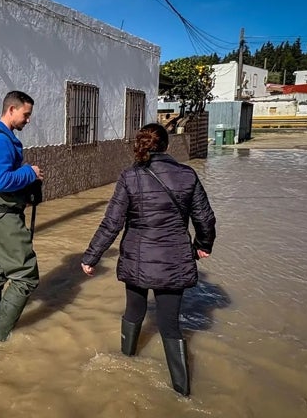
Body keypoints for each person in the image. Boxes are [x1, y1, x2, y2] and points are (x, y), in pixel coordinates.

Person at [80, 123, 216, 396]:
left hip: (137, 260)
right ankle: (182, 392)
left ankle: (125, 363)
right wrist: (203, 245)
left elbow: (112, 223)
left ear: (141, 145)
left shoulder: (130, 177)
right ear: (166, 146)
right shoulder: (187, 175)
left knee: (134, 312)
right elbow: (205, 218)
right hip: (175, 260)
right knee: (170, 325)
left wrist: (91, 257)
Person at [0, 90, 44, 342]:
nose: (28, 120)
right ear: (11, 110)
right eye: (26, 114)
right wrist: (29, 173)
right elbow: (2, 181)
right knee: (26, 277)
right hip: (4, 219)